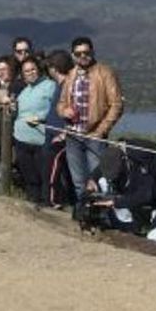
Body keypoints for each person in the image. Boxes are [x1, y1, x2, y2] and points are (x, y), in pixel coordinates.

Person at [55, 36, 124, 208]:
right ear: (73, 56)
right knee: (79, 180)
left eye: (86, 52)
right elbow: (61, 103)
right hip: (73, 134)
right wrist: (65, 111)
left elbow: (116, 104)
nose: (82, 56)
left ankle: (103, 215)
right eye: (78, 53)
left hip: (95, 135)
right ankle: (84, 213)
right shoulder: (70, 76)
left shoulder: (105, 73)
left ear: (92, 52)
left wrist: (101, 130)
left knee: (99, 179)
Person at [13, 55, 58, 205]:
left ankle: (46, 205)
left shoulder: (50, 86)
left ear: (38, 69)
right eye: (26, 71)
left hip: (40, 139)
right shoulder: (24, 91)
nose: (30, 73)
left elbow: (56, 109)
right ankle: (32, 203)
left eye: (33, 69)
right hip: (21, 138)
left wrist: (40, 117)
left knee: (44, 176)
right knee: (29, 175)